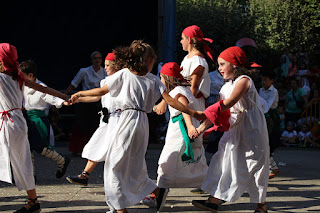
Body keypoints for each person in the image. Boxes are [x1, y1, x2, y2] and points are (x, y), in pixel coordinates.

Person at [69, 40, 205, 213]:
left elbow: (101, 91)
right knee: (135, 165)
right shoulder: (153, 79)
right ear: (147, 60)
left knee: (114, 165)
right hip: (142, 124)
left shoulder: (125, 74)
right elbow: (171, 101)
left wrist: (79, 93)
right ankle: (157, 191)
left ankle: (119, 208)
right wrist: (193, 113)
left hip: (126, 121)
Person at [191, 46, 269, 213]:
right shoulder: (226, 85)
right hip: (235, 127)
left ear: (234, 64)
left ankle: (261, 205)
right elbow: (218, 112)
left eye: (222, 64)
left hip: (251, 126)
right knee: (224, 159)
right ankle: (214, 199)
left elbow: (228, 103)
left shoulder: (244, 80)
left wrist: (201, 114)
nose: (219, 68)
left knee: (253, 163)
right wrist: (201, 129)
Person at [0, 43, 68, 212]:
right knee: (24, 162)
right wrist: (65, 96)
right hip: (18, 121)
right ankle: (33, 201)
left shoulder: (3, 78)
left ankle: (33, 201)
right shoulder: (18, 77)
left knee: (23, 160)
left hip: (9, 122)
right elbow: (43, 88)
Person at [145, 62, 208, 210]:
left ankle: (160, 192)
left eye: (161, 77)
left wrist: (191, 126)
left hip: (180, 132)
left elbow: (183, 108)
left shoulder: (178, 92)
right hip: (180, 130)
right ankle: (211, 188)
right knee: (192, 164)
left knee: (166, 161)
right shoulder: (181, 89)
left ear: (166, 78)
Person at [66, 52, 121, 186]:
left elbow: (101, 92)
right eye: (105, 65)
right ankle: (85, 175)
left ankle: (123, 181)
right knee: (97, 144)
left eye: (108, 65)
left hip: (118, 119)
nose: (105, 68)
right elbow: (97, 97)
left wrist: (79, 93)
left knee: (117, 151)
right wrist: (78, 100)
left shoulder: (120, 78)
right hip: (107, 119)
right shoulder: (104, 80)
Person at [20, 60, 71, 179]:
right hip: (25, 118)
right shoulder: (21, 85)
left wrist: (62, 101)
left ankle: (61, 161)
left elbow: (50, 96)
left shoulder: (41, 87)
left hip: (38, 120)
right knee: (27, 147)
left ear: (30, 75)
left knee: (40, 147)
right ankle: (31, 175)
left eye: (22, 76)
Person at [153, 25, 213, 114]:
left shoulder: (198, 61)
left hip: (192, 104)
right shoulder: (187, 58)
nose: (181, 41)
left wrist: (187, 109)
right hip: (183, 101)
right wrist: (165, 102)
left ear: (189, 40)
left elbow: (194, 87)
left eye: (182, 38)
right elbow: (179, 84)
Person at [65, 51, 107, 156]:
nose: (97, 60)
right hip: (84, 102)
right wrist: (64, 96)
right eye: (95, 58)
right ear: (92, 60)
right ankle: (77, 149)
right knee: (81, 125)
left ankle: (95, 150)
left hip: (98, 102)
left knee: (96, 126)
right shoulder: (84, 71)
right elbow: (73, 84)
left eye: (99, 58)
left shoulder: (105, 72)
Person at [259, 70, 281, 178]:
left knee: (267, 142)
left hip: (271, 116)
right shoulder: (261, 90)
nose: (263, 82)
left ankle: (270, 169)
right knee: (263, 142)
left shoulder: (274, 91)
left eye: (265, 80)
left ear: (272, 81)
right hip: (263, 114)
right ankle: (273, 167)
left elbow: (267, 106)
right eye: (262, 79)